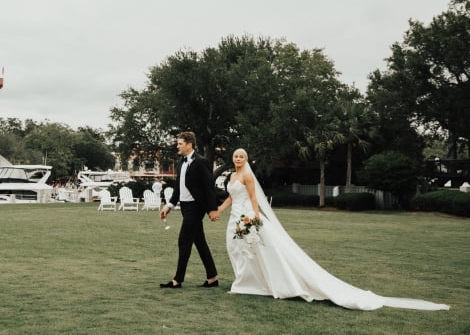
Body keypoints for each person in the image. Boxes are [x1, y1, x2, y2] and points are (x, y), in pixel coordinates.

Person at [217, 148, 450, 311]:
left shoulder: (247, 175)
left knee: (251, 250)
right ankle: (248, 281)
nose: (238, 158)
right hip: (235, 216)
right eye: (236, 156)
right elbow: (231, 196)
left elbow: (253, 198)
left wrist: (255, 217)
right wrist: (219, 209)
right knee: (235, 248)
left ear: (246, 159)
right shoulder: (233, 175)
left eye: (242, 156)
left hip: (248, 217)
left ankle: (251, 283)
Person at [160, 131, 220, 289]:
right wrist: (169, 206)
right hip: (185, 207)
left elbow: (209, 187)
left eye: (180, 143)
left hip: (196, 207)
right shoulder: (181, 162)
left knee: (184, 240)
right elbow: (178, 189)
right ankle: (212, 277)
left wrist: (212, 209)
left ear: (189, 144)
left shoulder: (201, 162)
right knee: (199, 242)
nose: (177, 146)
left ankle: (177, 280)